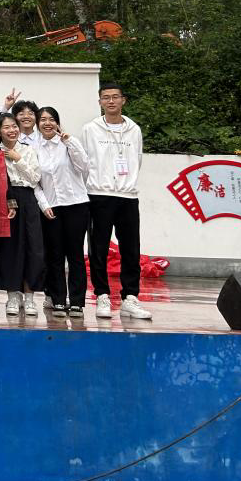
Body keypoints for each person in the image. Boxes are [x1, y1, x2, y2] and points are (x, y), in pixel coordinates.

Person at [80, 82, 151, 320]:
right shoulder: (91, 129)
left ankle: (130, 297)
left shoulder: (134, 129)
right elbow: (85, 162)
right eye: (106, 97)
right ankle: (102, 295)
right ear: (100, 102)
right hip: (99, 194)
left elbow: (137, 159)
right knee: (98, 248)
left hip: (128, 196)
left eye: (115, 97)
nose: (111, 101)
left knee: (131, 248)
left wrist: (126, 182)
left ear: (123, 100)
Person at [36, 106, 90, 316]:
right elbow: (35, 182)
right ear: (38, 124)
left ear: (58, 123)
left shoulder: (68, 143)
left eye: (51, 119)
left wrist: (70, 141)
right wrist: (44, 205)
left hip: (76, 204)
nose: (47, 123)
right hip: (52, 208)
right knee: (54, 255)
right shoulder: (35, 148)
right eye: (43, 120)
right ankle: (58, 299)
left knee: (75, 254)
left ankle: (77, 301)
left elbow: (84, 166)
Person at [0, 112, 44, 317]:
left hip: (28, 199)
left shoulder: (28, 150)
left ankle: (29, 297)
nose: (12, 130)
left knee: (33, 247)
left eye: (14, 126)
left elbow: (35, 178)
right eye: (6, 127)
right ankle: (13, 296)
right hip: (6, 199)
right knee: (10, 248)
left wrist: (18, 159)